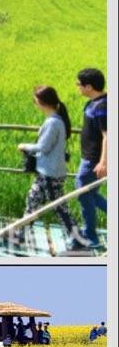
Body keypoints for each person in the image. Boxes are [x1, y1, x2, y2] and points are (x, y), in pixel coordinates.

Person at [17, 86, 89, 248]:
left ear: (42, 102)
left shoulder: (53, 123)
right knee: (32, 200)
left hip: (51, 174)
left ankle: (77, 239)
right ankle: (21, 234)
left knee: (59, 208)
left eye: (35, 100)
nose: (34, 103)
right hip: (47, 172)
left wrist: (25, 146)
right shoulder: (55, 120)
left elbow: (43, 147)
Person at [73, 68, 107, 247]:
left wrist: (103, 163)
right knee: (91, 194)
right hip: (90, 158)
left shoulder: (102, 106)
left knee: (83, 193)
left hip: (93, 161)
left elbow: (108, 136)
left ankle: (91, 237)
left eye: (79, 84)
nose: (77, 87)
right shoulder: (94, 103)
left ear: (88, 86)